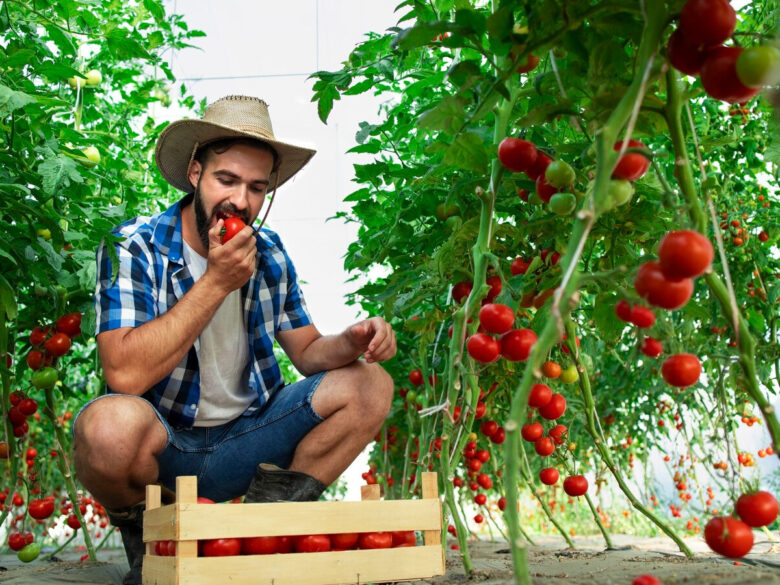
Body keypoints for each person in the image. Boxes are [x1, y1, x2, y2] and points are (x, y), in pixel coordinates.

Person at [72, 95, 396, 585]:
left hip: (249, 441)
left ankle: (266, 529)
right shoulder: (133, 245)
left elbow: (308, 354)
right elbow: (123, 373)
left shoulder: (268, 255)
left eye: (256, 188)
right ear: (196, 173)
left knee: (371, 384)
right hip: (166, 450)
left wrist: (352, 339)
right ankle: (151, 545)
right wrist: (216, 283)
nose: (240, 201)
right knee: (105, 428)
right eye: (227, 180)